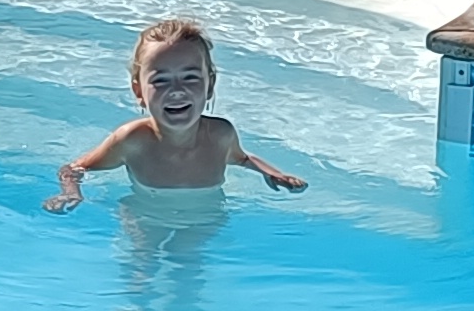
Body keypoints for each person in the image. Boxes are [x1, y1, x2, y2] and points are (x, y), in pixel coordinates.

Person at [46, 19, 311, 214]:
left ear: (210, 85)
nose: (176, 91)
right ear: (139, 91)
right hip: (145, 216)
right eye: (160, 80)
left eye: (190, 78)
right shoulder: (132, 140)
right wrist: (71, 193)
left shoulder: (220, 135)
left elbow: (242, 158)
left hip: (205, 215)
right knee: (142, 268)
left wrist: (273, 173)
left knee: (191, 266)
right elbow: (73, 168)